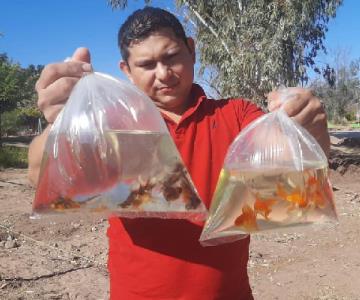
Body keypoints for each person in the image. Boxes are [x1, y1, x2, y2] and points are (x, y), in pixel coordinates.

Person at [28, 7, 330, 300]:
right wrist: (61, 124)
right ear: (127, 71)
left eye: (172, 57)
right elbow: (39, 175)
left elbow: (299, 173)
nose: (164, 74)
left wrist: (310, 129)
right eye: (147, 65)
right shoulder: (113, 125)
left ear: (191, 50)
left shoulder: (237, 115)